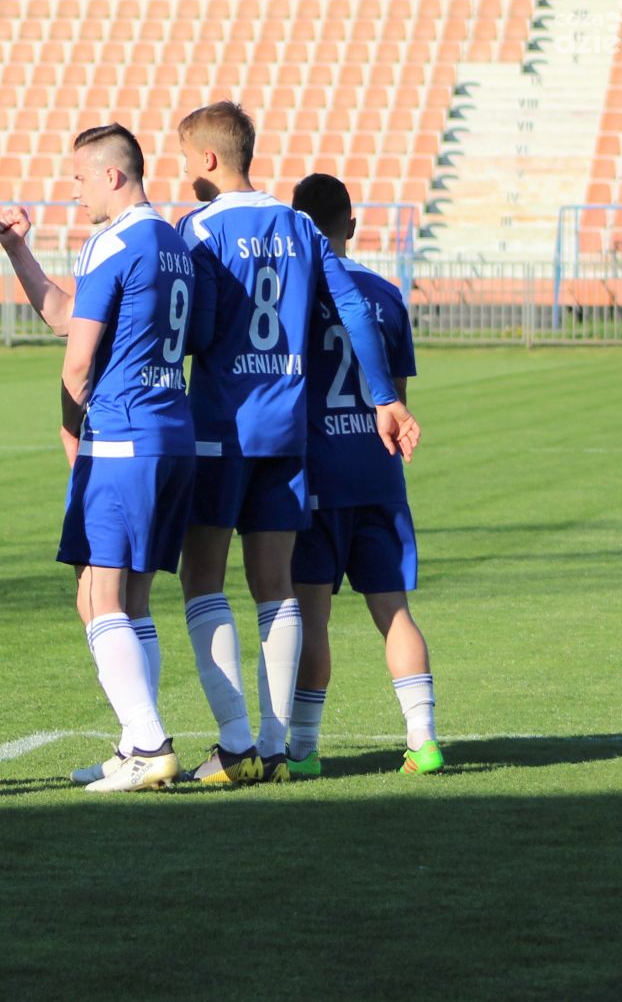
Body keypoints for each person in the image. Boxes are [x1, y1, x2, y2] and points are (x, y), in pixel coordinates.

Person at [174, 102, 421, 785]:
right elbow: (352, 310)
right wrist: (386, 397)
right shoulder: (300, 226)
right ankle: (278, 745)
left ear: (209, 158)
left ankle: (235, 744)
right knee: (275, 586)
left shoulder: (198, 227)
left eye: (186, 158)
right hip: (287, 431)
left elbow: (197, 330)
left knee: (202, 577)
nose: (185, 170)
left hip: (222, 425)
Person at [0, 124, 200, 792]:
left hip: (121, 437)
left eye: (80, 177)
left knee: (97, 594)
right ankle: (135, 742)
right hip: (172, 432)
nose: (74, 190)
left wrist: (71, 430)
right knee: (132, 599)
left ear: (113, 175)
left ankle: (150, 743)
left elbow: (76, 359)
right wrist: (18, 251)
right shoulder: (173, 241)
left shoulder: (111, 242)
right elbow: (66, 312)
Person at [289, 173, 442, 776]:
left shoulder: (293, 297)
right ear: (350, 226)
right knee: (394, 613)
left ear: (297, 228)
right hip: (377, 477)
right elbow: (395, 399)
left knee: (312, 619)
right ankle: (423, 739)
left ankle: (303, 750)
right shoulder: (385, 294)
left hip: (315, 478)